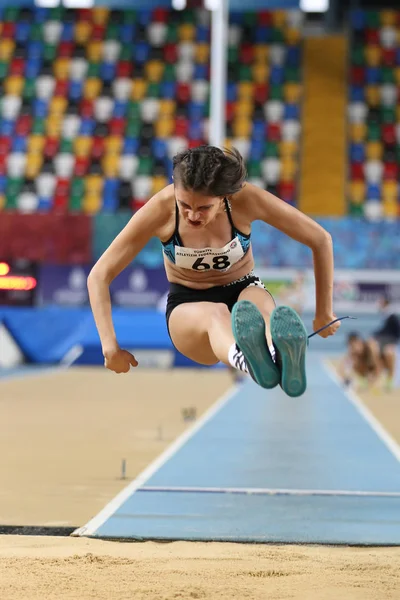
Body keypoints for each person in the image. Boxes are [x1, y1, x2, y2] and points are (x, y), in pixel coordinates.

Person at [87, 146, 340, 398]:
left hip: (243, 285)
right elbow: (99, 275)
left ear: (225, 198)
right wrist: (110, 347)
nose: (192, 215)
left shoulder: (246, 199)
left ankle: (277, 355)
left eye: (204, 208)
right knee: (215, 314)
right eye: (184, 204)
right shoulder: (161, 209)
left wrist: (324, 311)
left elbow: (320, 239)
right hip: (188, 305)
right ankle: (252, 361)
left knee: (255, 305)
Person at [367, 295, 400, 391]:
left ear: (385, 303)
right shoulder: (385, 314)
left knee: (389, 356)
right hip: (383, 341)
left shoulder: (392, 315)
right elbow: (383, 330)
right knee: (375, 355)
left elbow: (396, 331)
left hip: (389, 342)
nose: (378, 304)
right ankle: (374, 378)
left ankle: (390, 381)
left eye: (380, 302)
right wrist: (374, 335)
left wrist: (393, 343)